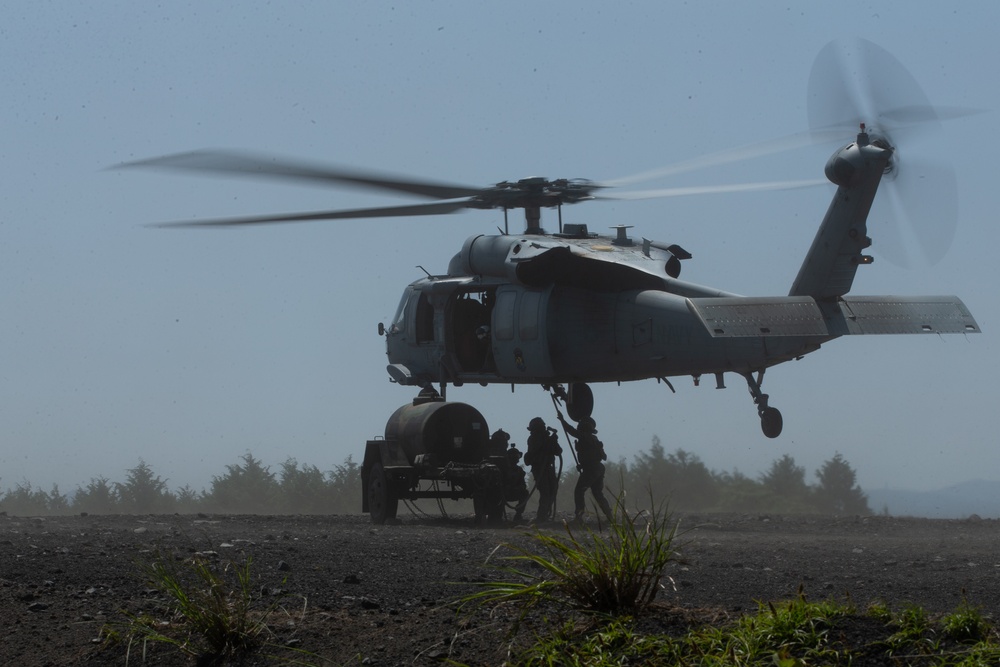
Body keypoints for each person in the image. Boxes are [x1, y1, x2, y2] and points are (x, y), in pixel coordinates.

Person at [558, 413, 613, 522]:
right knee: (597, 493)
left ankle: (579, 516)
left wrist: (562, 420)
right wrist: (582, 465)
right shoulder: (593, 439)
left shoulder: (585, 436)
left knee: (579, 491)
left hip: (592, 468)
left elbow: (571, 431)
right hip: (596, 468)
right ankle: (609, 516)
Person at [524, 417, 561, 523]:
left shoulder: (547, 439)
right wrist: (548, 441)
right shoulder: (533, 439)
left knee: (553, 490)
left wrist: (554, 440)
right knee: (545, 492)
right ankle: (541, 516)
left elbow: (558, 451)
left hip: (548, 468)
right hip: (539, 468)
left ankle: (545, 514)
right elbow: (536, 449)